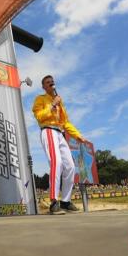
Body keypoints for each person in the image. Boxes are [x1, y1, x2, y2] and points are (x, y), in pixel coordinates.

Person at [32, 75, 90, 215]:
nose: (51, 84)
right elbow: (39, 116)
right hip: (48, 130)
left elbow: (66, 123)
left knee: (70, 166)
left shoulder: (60, 102)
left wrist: (78, 135)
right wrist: (52, 105)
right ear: (44, 87)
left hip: (60, 133)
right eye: (48, 83)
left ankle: (65, 201)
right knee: (56, 163)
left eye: (52, 82)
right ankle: (53, 202)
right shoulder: (40, 99)